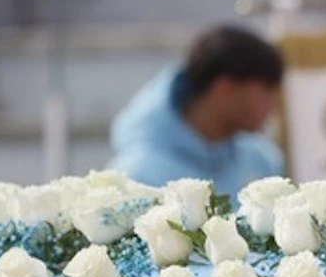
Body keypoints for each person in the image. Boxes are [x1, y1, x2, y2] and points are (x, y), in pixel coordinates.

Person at [108, 25, 284, 198]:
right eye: (266, 90)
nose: (274, 104)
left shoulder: (261, 161)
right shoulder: (136, 178)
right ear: (225, 89)